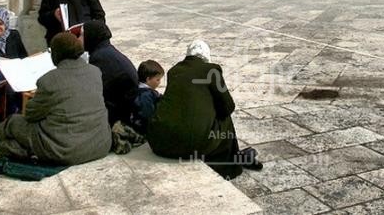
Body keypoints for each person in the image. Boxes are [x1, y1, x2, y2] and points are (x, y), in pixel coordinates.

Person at [147, 40, 261, 180]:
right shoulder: (211, 70)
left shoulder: (174, 71)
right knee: (224, 117)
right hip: (190, 145)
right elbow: (228, 106)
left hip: (159, 142)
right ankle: (230, 166)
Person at [0, 32, 111, 165]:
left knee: (13, 122)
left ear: (56, 54)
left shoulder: (48, 80)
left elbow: (30, 115)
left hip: (65, 150)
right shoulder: (95, 72)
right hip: (100, 145)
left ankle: (10, 141)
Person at [83, 21, 139, 127]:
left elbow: (95, 89)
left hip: (121, 112)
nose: (79, 39)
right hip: (125, 103)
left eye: (82, 35)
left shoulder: (100, 57)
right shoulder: (105, 51)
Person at [131, 60, 164, 135]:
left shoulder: (136, 88)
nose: (159, 82)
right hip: (144, 129)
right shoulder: (146, 95)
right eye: (158, 80)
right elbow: (147, 114)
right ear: (148, 79)